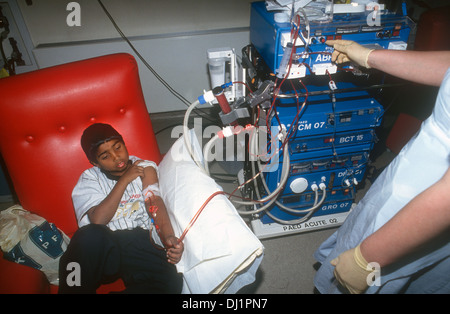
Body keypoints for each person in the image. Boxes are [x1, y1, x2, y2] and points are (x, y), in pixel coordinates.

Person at [313, 40, 450, 294]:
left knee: (388, 268)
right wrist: (368, 56)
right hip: (420, 168)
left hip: (430, 202)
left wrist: (365, 258)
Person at [59, 123, 184, 293]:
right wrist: (125, 179)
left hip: (141, 240)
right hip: (107, 246)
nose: (116, 157)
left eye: (118, 147)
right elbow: (98, 219)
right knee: (86, 238)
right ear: (94, 162)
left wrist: (168, 236)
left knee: (172, 283)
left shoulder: (145, 167)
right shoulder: (89, 178)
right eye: (105, 156)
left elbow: (153, 200)